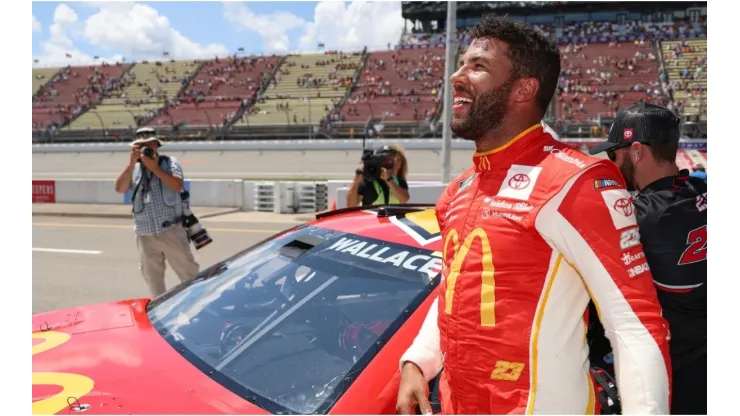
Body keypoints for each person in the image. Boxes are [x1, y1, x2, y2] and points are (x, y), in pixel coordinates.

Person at [395, 15, 671, 415]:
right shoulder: (458, 191)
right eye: (461, 63)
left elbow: (635, 327)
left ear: (524, 89)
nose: (456, 76)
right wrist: (417, 361)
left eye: (478, 66)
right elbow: (453, 293)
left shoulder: (576, 181)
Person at [587, 102, 707, 415]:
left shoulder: (638, 218)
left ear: (637, 151)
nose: (612, 162)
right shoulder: (701, 188)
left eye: (615, 153)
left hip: (676, 379)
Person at [114, 129, 200, 297]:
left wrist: (155, 168)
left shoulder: (169, 163)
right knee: (153, 280)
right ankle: (160, 312)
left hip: (171, 230)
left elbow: (177, 185)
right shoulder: (134, 169)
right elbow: (120, 188)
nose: (145, 149)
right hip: (145, 234)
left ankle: (199, 307)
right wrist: (131, 164)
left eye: (149, 145)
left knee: (189, 275)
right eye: (141, 146)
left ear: (156, 145)